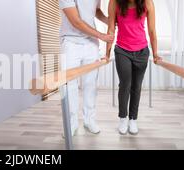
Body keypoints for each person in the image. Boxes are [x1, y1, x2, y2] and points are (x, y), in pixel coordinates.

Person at [105, 0, 162, 135]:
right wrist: (106, 54)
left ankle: (133, 119)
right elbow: (111, 28)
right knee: (125, 84)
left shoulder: (148, 2)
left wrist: (155, 54)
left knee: (136, 86)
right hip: (122, 50)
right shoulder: (114, 2)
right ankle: (123, 118)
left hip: (142, 51)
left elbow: (152, 30)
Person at [59, 0, 113, 136]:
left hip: (91, 43)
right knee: (70, 85)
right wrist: (102, 36)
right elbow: (75, 21)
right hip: (71, 41)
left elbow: (95, 10)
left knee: (90, 84)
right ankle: (71, 123)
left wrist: (107, 20)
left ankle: (89, 120)